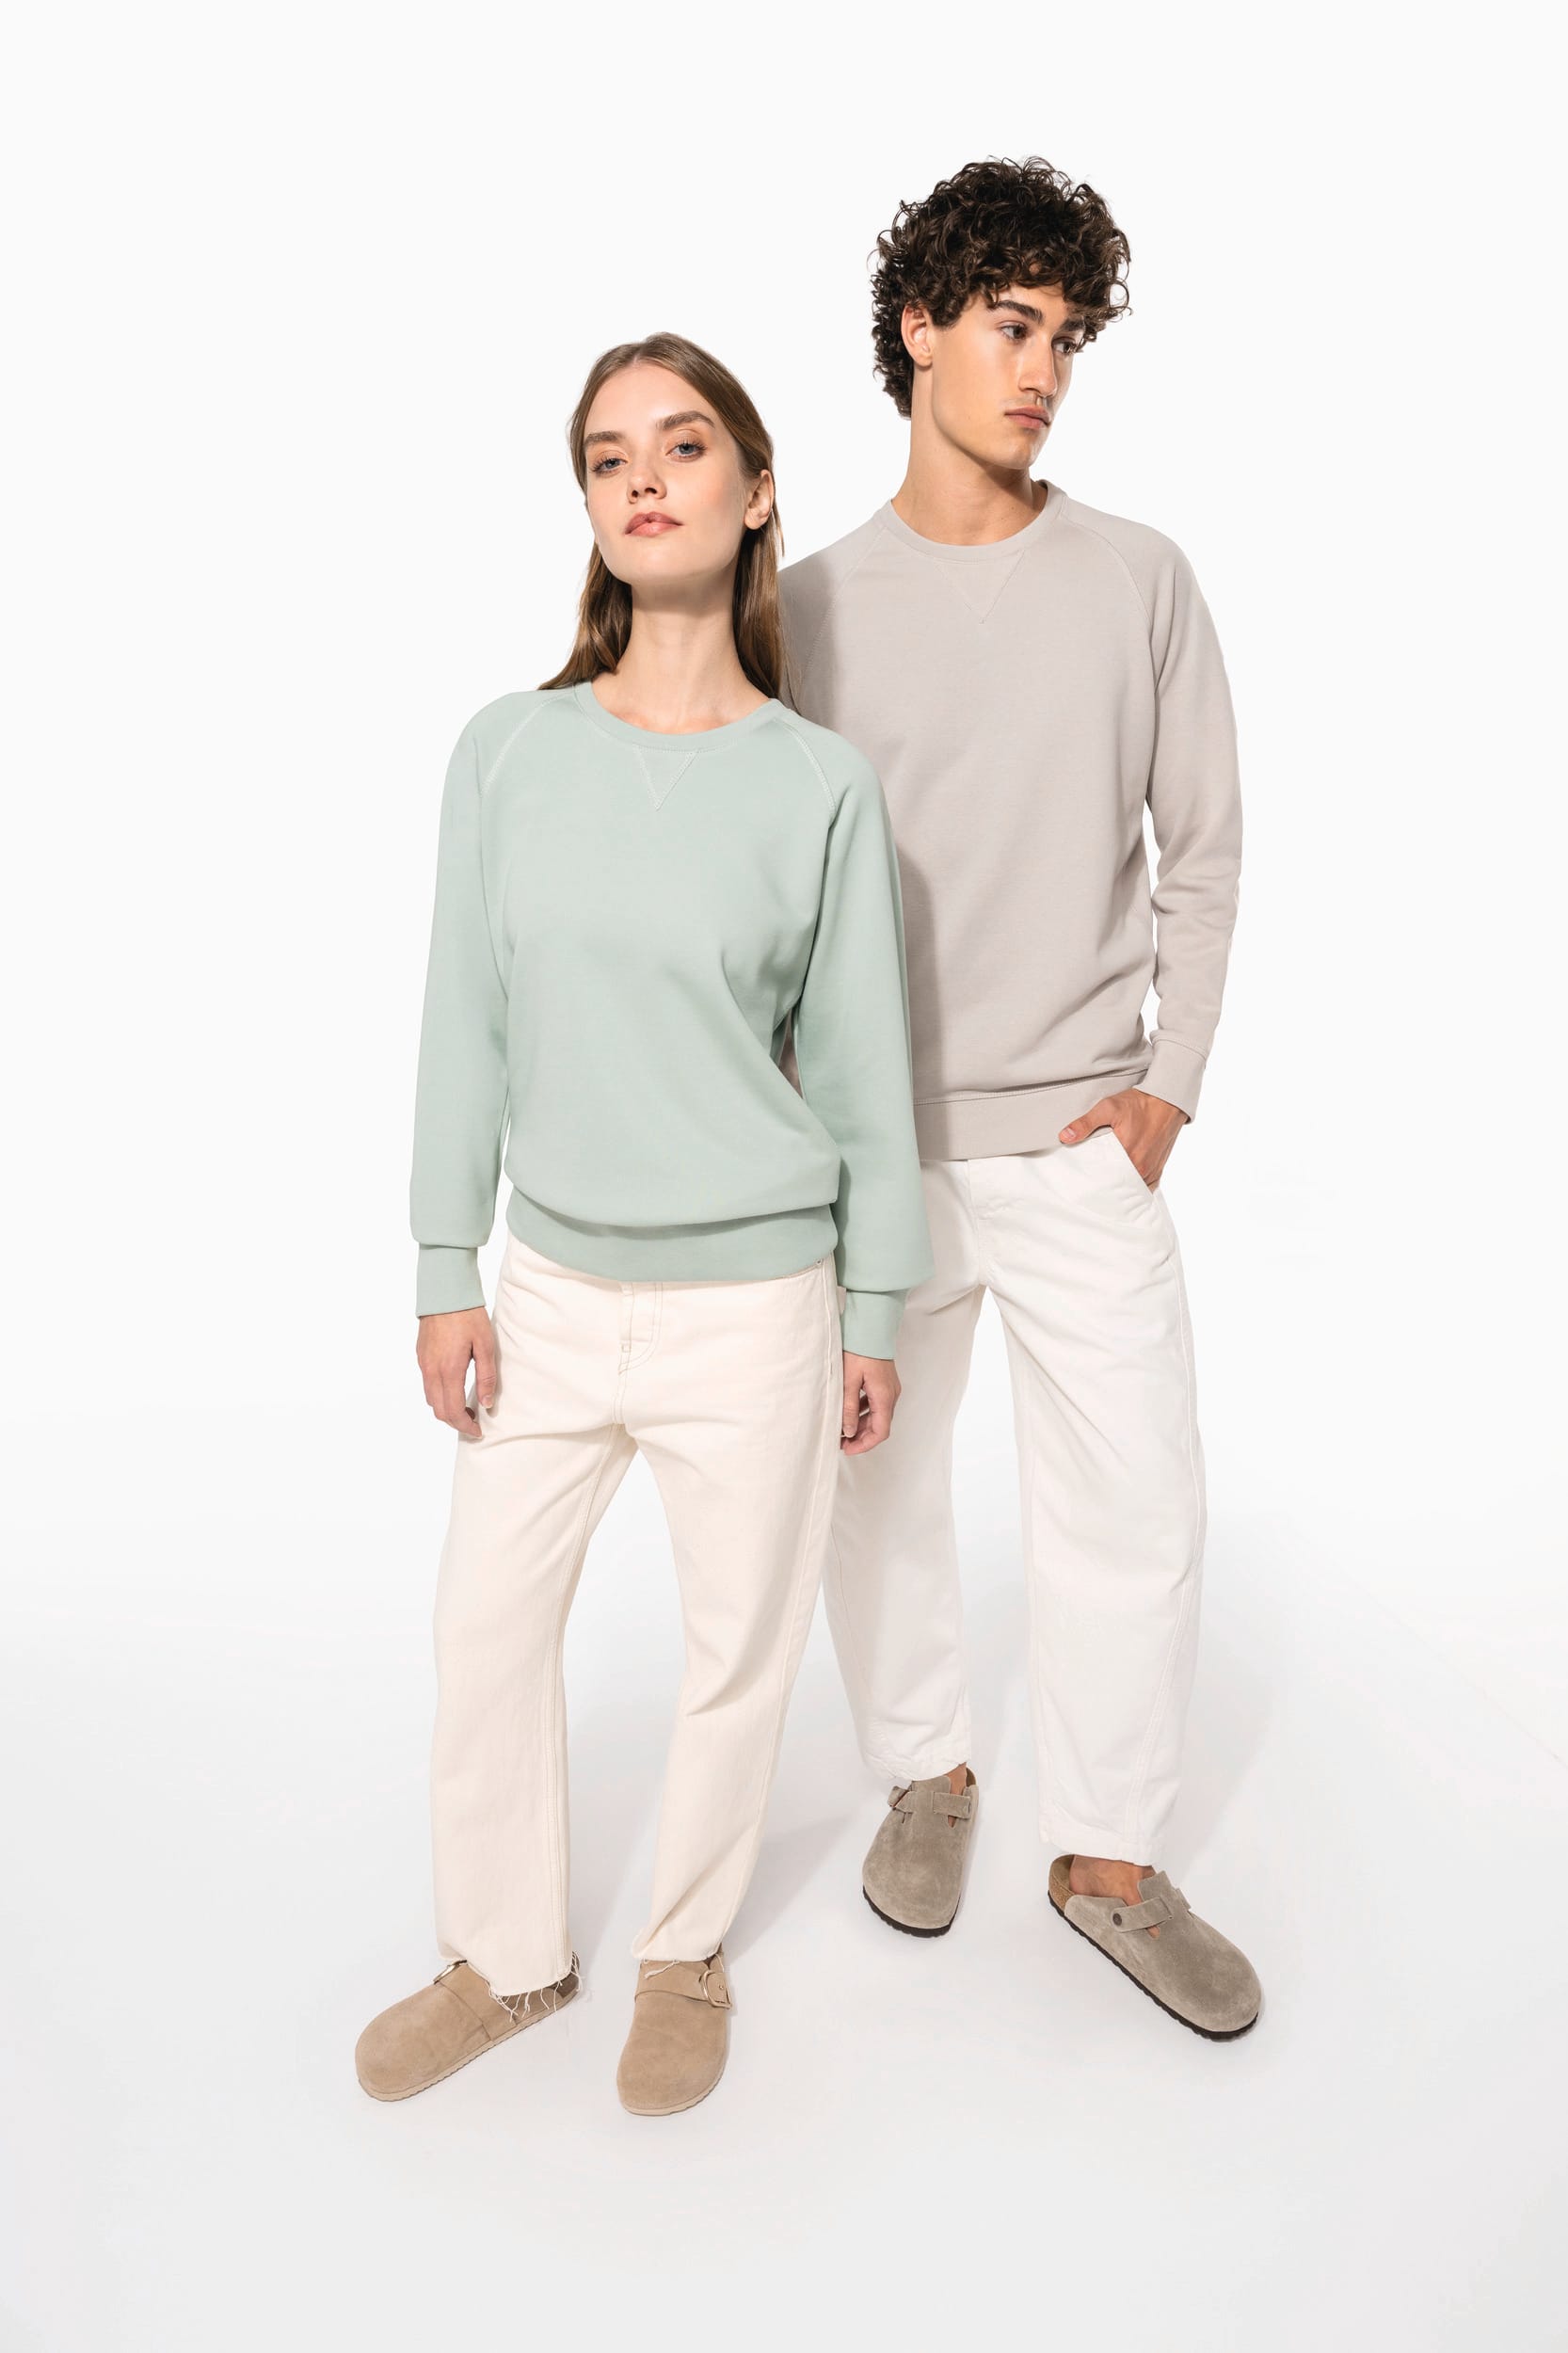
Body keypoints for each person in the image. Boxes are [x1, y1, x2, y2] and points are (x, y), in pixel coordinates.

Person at [355, 332, 933, 2117]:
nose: (642, 481)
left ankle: (681, 1956)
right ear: (591, 510)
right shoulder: (505, 752)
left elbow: (863, 1076)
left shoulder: (817, 786)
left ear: (753, 495)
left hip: (756, 1304)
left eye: (681, 448)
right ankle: (505, 1956)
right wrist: (445, 1263)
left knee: (732, 1651)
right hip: (545, 1289)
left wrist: (874, 1308)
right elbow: (464, 1024)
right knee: (483, 1633)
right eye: (608, 458)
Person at [777, 155, 1260, 2037]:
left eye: (1065, 337)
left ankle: (1109, 1860)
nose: (1043, 369)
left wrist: (1165, 1094)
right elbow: (764, 894)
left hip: (1076, 1140)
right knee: (877, 1491)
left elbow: (1202, 847)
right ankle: (925, 1771)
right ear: (918, 329)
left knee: (1134, 1497)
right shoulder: (805, 607)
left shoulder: (1138, 578)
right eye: (1009, 326)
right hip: (874, 1147)